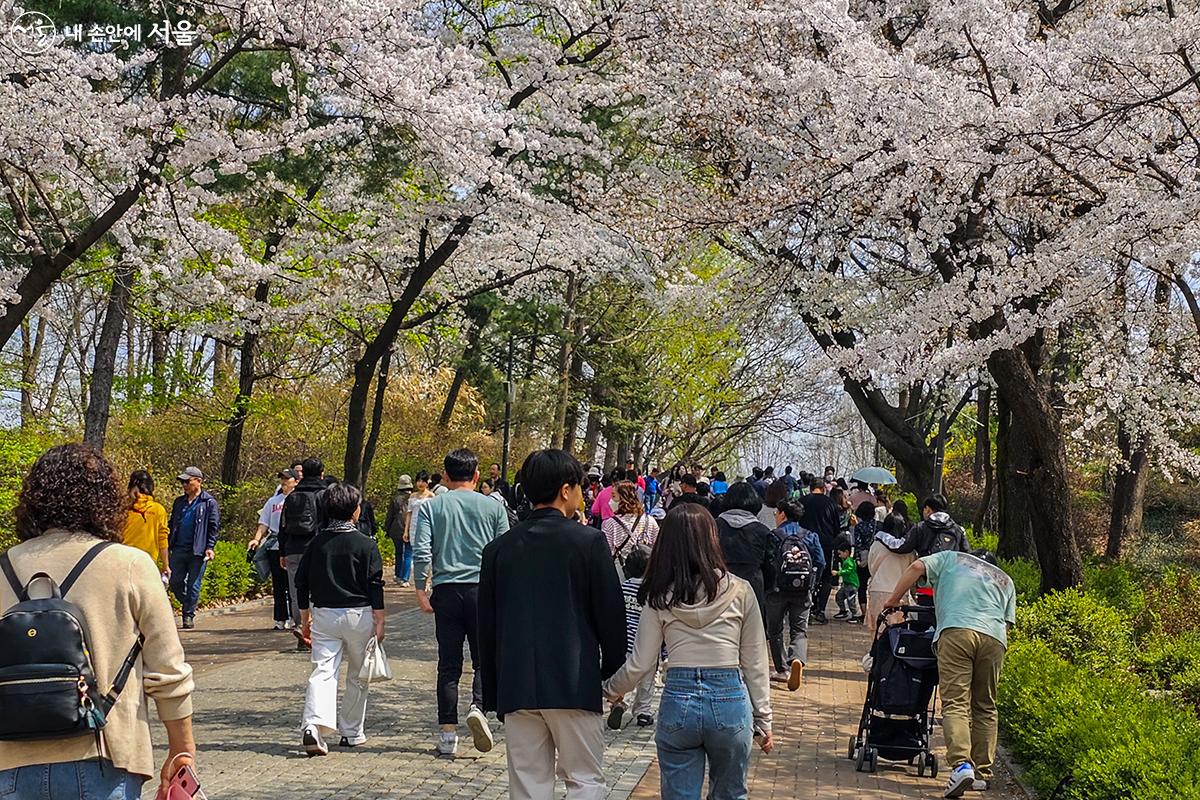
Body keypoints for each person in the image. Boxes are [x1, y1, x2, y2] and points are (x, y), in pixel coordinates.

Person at [0, 443, 196, 798]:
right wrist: (181, 751)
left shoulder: (3, 568)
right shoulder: (130, 565)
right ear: (104, 500)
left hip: (8, 763)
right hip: (105, 759)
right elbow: (168, 672)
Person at [478, 449, 626, 800]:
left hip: (517, 684)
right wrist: (610, 672)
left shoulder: (498, 549)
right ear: (565, 489)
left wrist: (494, 688)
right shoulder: (588, 542)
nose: (582, 495)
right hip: (574, 682)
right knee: (585, 780)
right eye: (579, 487)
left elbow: (486, 625)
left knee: (528, 786)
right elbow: (611, 615)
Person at [602, 504, 773, 800]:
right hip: (730, 699)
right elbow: (755, 660)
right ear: (712, 539)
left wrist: (609, 689)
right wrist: (763, 719)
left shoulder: (657, 596)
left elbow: (641, 662)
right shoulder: (741, 591)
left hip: (678, 700)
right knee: (731, 795)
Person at [884, 551, 1016, 798]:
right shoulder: (1005, 579)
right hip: (994, 639)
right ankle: (981, 773)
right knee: (985, 706)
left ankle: (961, 765)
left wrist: (893, 600)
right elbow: (1006, 624)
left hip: (957, 630)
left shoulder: (952, 558)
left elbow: (915, 567)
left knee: (956, 703)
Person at [411, 448, 510, 756]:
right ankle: (478, 707)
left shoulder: (431, 507)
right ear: (476, 475)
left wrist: (419, 589)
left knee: (449, 663)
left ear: (447, 475)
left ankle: (447, 735)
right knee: (483, 659)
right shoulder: (493, 508)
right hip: (483, 590)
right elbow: (504, 553)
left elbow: (422, 551)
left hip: (447, 589)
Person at [296, 482, 386, 756]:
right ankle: (351, 731)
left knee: (323, 671)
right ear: (355, 511)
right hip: (359, 615)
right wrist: (380, 618)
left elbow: (302, 583)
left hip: (324, 614)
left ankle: (314, 724)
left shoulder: (316, 544)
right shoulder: (366, 544)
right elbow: (375, 583)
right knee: (359, 675)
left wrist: (305, 619)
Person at [766, 499, 824, 691]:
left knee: (775, 630)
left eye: (776, 512)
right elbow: (821, 561)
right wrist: (812, 583)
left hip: (777, 590)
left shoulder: (774, 536)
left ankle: (782, 669)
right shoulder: (810, 536)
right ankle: (797, 659)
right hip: (802, 590)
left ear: (783, 514)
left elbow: (766, 562)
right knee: (799, 630)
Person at [714, 481, 775, 628]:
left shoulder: (713, 527)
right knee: (751, 636)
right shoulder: (763, 531)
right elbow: (771, 567)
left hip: (719, 587)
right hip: (753, 587)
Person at [280, 458, 328, 645]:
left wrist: (282, 552)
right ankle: (316, 632)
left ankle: (301, 627)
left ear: (302, 474)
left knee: (296, 590)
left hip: (293, 548)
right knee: (318, 589)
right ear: (321, 473)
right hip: (317, 548)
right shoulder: (324, 494)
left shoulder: (292, 496)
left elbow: (282, 526)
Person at [166, 466, 219, 630]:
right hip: (178, 548)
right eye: (183, 482)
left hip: (198, 550)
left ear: (198, 481)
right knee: (174, 582)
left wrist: (210, 546)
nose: (185, 485)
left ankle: (188, 615)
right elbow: (172, 523)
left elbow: (213, 526)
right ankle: (188, 603)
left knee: (193, 585)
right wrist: (167, 544)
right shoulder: (179, 502)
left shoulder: (208, 502)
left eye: (187, 482)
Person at [610, 546, 657, 728]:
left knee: (623, 676)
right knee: (647, 679)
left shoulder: (622, 588)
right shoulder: (653, 591)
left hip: (624, 642)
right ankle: (643, 712)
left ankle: (618, 701)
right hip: (647, 642)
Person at [249, 468, 299, 630]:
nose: (284, 482)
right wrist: (256, 539)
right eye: (282, 479)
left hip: (292, 544)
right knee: (278, 584)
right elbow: (264, 523)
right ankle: (280, 618)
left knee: (292, 583)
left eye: (287, 479)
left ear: (296, 481)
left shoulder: (299, 500)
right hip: (274, 545)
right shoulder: (273, 502)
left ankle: (294, 616)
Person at [800, 477, 841, 624]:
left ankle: (807, 610)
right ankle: (821, 611)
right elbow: (837, 528)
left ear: (810, 488)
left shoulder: (802, 501)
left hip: (804, 542)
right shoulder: (830, 503)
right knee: (826, 578)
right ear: (823, 489)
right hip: (825, 543)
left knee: (806, 574)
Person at [865, 513, 916, 626]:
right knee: (897, 631)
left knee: (878, 630)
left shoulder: (876, 544)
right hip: (900, 593)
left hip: (878, 590)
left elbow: (871, 567)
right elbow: (913, 570)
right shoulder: (908, 549)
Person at [886, 494, 970, 557]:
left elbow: (900, 546)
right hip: (948, 578)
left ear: (928, 510)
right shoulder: (958, 529)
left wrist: (882, 536)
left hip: (926, 576)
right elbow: (966, 555)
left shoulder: (920, 527)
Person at [123, 470, 169, 578]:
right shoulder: (158, 510)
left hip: (124, 558)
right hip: (147, 562)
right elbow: (163, 539)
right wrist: (166, 565)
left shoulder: (123, 508)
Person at [602, 481, 659, 567]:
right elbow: (658, 547)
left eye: (613, 496)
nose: (610, 501)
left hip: (620, 573)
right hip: (647, 572)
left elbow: (605, 554)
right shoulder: (650, 521)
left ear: (623, 498)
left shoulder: (610, 524)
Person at [383, 474, 414, 587]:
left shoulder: (395, 499)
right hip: (410, 527)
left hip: (396, 528)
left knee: (398, 552)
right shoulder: (414, 498)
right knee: (408, 553)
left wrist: (387, 529)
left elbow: (390, 516)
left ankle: (397, 575)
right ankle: (405, 578)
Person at [851, 501, 878, 611]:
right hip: (876, 557)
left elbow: (858, 544)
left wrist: (857, 558)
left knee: (862, 586)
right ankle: (875, 610)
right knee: (875, 584)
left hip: (864, 559)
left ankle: (863, 612)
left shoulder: (859, 527)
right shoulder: (879, 525)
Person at [832, 541, 863, 623]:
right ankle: (843, 611)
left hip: (852, 584)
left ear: (846, 552)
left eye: (840, 553)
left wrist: (838, 573)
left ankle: (855, 615)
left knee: (851, 600)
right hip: (846, 584)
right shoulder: (844, 560)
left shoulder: (849, 562)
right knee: (839, 596)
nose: (839, 555)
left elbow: (848, 571)